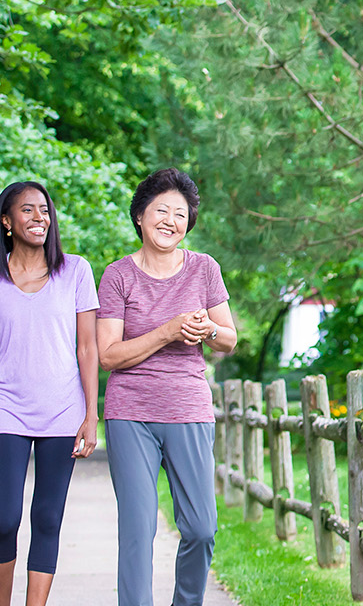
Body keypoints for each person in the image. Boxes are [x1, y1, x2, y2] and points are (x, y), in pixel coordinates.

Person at [96, 169, 238, 606]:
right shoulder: (117, 275)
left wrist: (206, 328)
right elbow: (108, 355)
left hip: (188, 409)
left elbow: (229, 340)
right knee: (138, 530)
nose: (171, 221)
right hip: (130, 413)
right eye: (162, 210)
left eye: (181, 214)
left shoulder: (204, 268)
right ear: (140, 215)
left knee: (201, 527)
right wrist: (168, 330)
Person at [0, 181, 100, 606]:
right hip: (7, 410)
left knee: (47, 517)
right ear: (6, 222)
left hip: (63, 409)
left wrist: (91, 414)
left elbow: (88, 347)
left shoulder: (75, 270)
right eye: (28, 210)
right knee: (4, 519)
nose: (40, 217)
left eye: (44, 210)